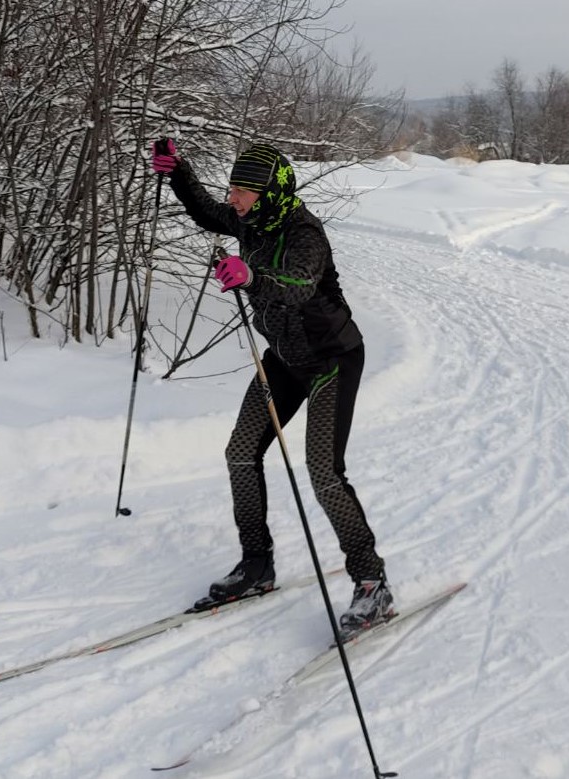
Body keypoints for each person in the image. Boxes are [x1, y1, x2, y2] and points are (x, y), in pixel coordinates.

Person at [151, 139, 393, 632]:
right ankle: (256, 565)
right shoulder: (249, 220)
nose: (234, 198)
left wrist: (252, 276)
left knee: (323, 472)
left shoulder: (305, 232)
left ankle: (373, 584)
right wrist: (179, 172)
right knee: (240, 452)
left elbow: (298, 284)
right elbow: (205, 211)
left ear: (270, 192)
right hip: (283, 360)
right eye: (233, 188)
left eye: (243, 190)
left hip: (331, 361)